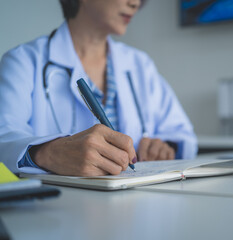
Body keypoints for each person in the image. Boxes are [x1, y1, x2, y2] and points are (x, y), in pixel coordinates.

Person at [0, 0, 197, 176]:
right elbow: (4, 137)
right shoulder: (23, 62)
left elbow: (183, 135)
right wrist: (48, 153)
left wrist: (166, 147)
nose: (135, 3)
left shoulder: (140, 65)